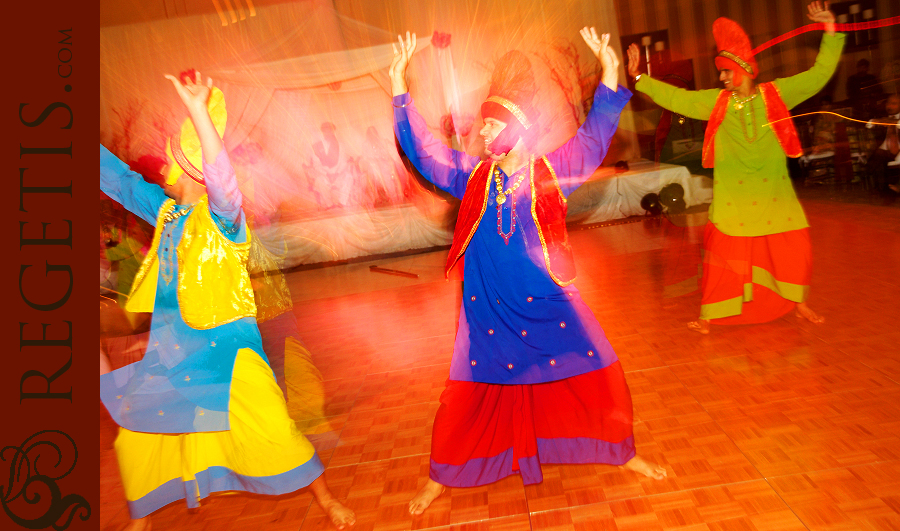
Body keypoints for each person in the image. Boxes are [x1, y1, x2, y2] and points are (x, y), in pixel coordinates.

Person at [389, 28, 666, 516]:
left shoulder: (553, 171)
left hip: (550, 300)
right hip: (488, 306)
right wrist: (399, 90)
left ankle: (621, 452)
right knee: (466, 395)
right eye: (484, 128)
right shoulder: (472, 176)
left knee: (597, 369)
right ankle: (443, 474)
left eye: (492, 127)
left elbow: (596, 135)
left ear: (515, 127)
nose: (483, 134)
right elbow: (426, 154)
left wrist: (609, 73)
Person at [99, 71, 355, 530]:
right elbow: (118, 180)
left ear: (185, 169)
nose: (163, 171)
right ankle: (141, 520)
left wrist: (199, 112)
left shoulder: (224, 218)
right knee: (138, 437)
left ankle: (326, 499)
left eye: (172, 163)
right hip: (174, 350)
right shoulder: (166, 212)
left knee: (275, 430)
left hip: (230, 352)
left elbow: (223, 183)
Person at [627, 1, 841, 334]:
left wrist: (829, 30)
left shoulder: (777, 95)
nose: (721, 78)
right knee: (723, 257)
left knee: (793, 250)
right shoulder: (717, 103)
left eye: (726, 71)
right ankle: (709, 315)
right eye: (720, 72)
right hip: (733, 200)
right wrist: (640, 77)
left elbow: (818, 75)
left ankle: (799, 303)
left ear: (742, 69)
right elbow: (677, 99)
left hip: (774, 194)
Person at [865, 93, 900, 194]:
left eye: (894, 103)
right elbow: (869, 125)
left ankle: (886, 190)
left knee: (878, 158)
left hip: (898, 150)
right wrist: (878, 121)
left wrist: (890, 121)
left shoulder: (890, 119)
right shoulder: (881, 116)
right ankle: (883, 190)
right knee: (877, 158)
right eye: (888, 103)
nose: (890, 106)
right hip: (885, 150)